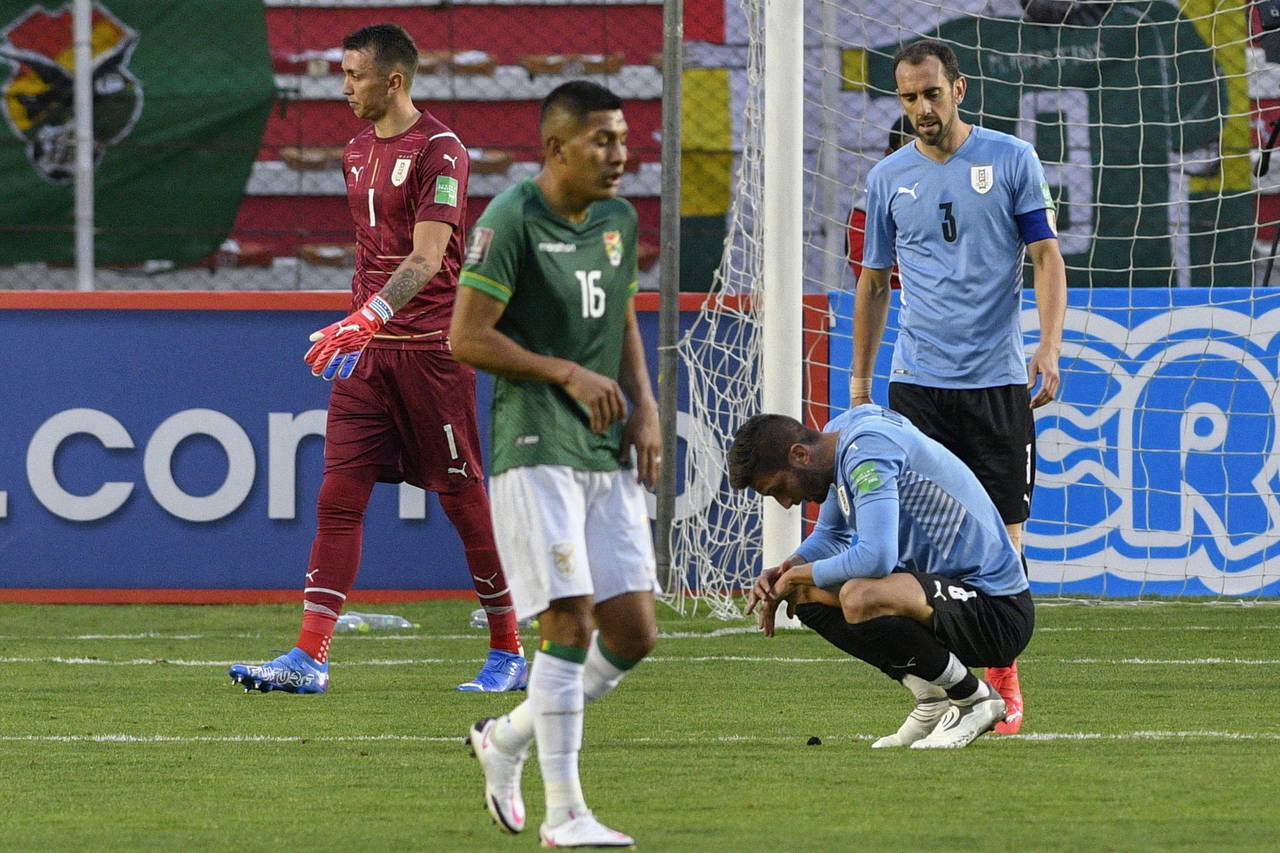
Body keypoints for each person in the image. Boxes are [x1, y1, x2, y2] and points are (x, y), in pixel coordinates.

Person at [228, 23, 526, 695]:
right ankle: (310, 656)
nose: (344, 86)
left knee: (462, 500)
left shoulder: (441, 151)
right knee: (338, 495)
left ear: (393, 81)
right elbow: (372, 254)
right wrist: (353, 323)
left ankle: (509, 648)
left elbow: (425, 256)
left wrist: (368, 317)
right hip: (367, 357)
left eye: (354, 74)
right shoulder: (356, 149)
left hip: (427, 354)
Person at [451, 81, 660, 848]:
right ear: (555, 148)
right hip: (535, 444)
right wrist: (565, 372)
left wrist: (647, 407)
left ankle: (505, 738)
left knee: (633, 631)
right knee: (568, 621)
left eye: (623, 139)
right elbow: (466, 337)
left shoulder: (617, 218)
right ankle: (565, 813)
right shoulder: (510, 219)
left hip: (604, 447)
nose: (620, 155)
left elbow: (622, 314)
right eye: (603, 140)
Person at [850, 39, 1067, 733]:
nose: (920, 108)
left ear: (960, 89)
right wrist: (860, 379)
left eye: (931, 94)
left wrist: (1050, 345)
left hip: (997, 382)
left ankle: (1003, 676)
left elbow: (1045, 257)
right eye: (908, 97)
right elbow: (873, 282)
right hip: (917, 384)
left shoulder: (1010, 160)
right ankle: (950, 690)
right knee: (919, 544)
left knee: (1003, 538)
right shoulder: (887, 178)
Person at [731, 409, 1034, 749]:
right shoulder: (841, 435)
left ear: (800, 455)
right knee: (803, 594)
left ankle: (973, 699)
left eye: (779, 489)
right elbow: (831, 534)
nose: (787, 503)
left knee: (860, 595)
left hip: (996, 611)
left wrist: (799, 574)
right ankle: (931, 698)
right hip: (940, 593)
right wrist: (790, 569)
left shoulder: (868, 451)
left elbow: (877, 557)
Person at [846, 115, 912, 286]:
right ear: (889, 155)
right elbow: (873, 283)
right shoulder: (865, 211)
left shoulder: (956, 200)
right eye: (912, 150)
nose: (921, 160)